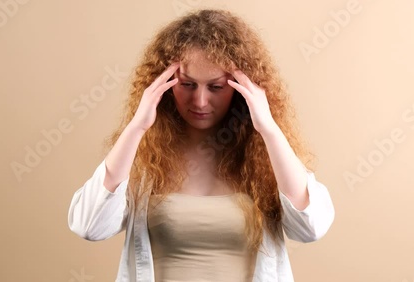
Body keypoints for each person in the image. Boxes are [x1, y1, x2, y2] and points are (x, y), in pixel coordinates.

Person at [67, 9, 335, 282]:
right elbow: (89, 226)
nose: (200, 101)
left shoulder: (264, 158)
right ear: (166, 83)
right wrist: (136, 127)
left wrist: (268, 128)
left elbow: (310, 228)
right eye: (187, 84)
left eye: (216, 87)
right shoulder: (144, 157)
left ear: (241, 86)